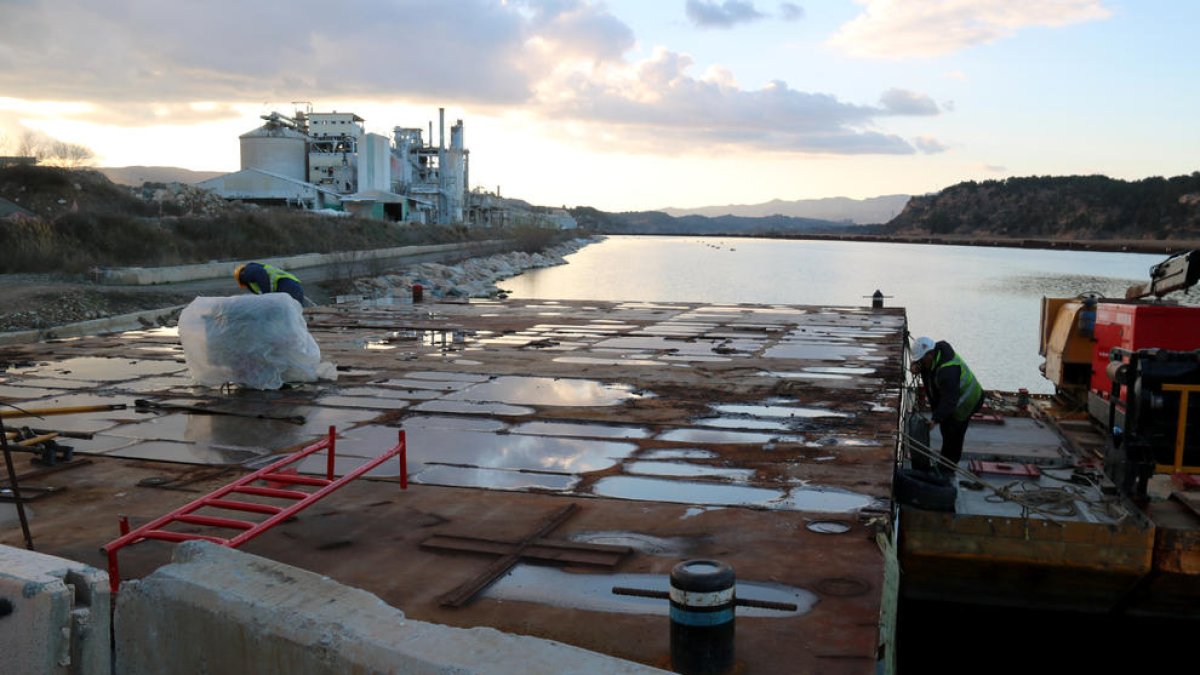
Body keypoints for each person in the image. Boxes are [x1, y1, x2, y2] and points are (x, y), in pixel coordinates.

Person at [910, 336, 984, 470]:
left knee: (953, 433)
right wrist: (915, 366)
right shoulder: (933, 355)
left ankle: (948, 469)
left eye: (921, 360)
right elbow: (926, 371)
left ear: (929, 355)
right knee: (946, 429)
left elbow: (949, 401)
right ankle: (945, 463)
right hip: (953, 397)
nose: (920, 363)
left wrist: (935, 419)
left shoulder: (947, 372)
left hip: (967, 401)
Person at [233, 262, 306, 305]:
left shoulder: (247, 271)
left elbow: (260, 273)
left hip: (287, 287)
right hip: (293, 286)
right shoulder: (255, 269)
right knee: (297, 315)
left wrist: (267, 296)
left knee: (292, 316)